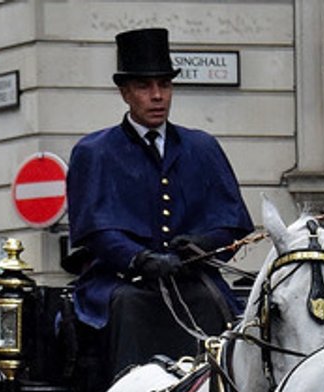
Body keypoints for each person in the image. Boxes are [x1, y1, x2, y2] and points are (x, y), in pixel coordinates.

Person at [66, 27, 253, 374]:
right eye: (144, 87)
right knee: (131, 305)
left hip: (192, 278)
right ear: (125, 93)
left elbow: (231, 223)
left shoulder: (203, 147)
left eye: (164, 86)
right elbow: (95, 230)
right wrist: (139, 259)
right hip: (123, 282)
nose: (157, 96)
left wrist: (201, 246)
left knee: (220, 308)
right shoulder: (95, 152)